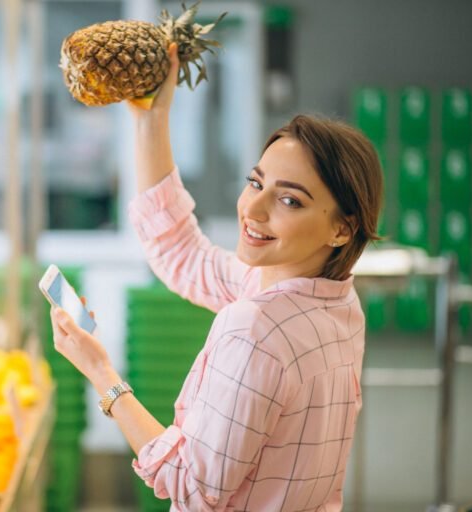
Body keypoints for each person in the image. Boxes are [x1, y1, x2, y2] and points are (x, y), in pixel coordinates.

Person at [50, 43, 383, 511]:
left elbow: (190, 487)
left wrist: (100, 373)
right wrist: (151, 120)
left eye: (290, 200)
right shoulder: (336, 303)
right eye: (256, 182)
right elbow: (181, 252)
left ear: (342, 228)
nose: (254, 209)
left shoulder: (254, 329)